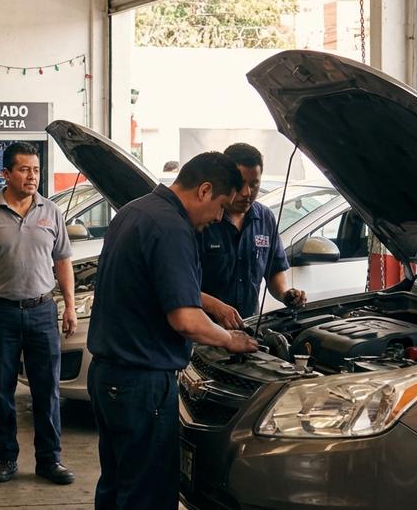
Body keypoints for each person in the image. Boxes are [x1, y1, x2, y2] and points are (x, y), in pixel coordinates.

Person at [87, 151, 259, 509]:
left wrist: (210, 304)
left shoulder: (135, 211)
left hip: (109, 377)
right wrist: (231, 340)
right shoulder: (172, 229)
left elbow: (152, 282)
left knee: (118, 485)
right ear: (204, 190)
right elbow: (185, 320)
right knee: (148, 495)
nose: (219, 218)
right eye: (221, 206)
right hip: (142, 383)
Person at [0, 142, 77, 486]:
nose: (31, 176)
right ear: (6, 174)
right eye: (24, 170)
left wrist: (69, 305)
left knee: (47, 389)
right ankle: (6, 457)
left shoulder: (51, 211)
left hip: (42, 311)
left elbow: (63, 261)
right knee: (2, 389)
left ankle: (49, 459)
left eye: (35, 170)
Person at [199, 143, 307, 329]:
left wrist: (285, 294)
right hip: (204, 330)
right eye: (240, 184)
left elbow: (274, 270)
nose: (246, 193)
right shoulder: (203, 219)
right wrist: (216, 308)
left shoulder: (265, 218)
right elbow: (183, 285)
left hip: (248, 327)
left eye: (254, 184)